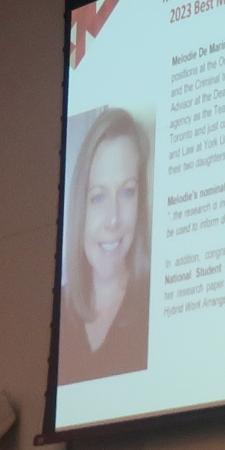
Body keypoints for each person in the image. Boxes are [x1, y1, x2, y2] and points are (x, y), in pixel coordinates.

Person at [57, 107, 151, 384]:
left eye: (127, 192)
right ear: (80, 207)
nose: (113, 219)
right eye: (98, 197)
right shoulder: (57, 311)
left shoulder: (158, 306)